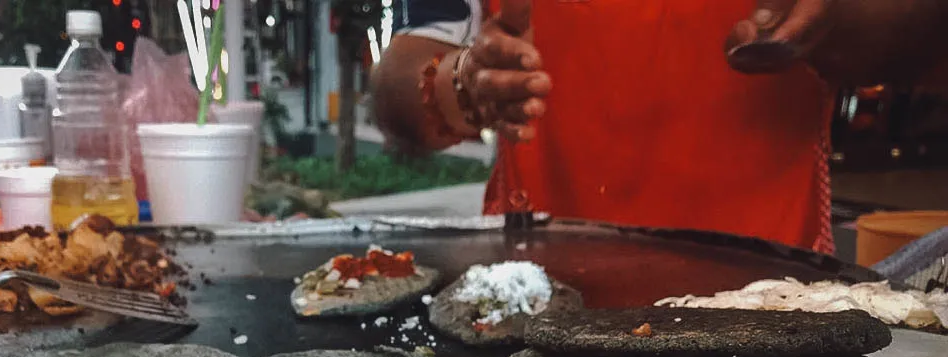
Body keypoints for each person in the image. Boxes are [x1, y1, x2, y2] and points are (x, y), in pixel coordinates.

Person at [372, 0, 948, 253]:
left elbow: (923, 39)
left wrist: (840, 21)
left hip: (769, 302)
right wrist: (464, 85)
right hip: (535, 306)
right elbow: (401, 77)